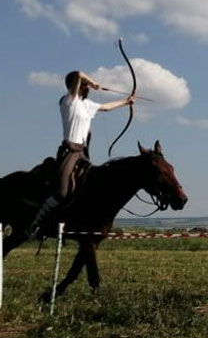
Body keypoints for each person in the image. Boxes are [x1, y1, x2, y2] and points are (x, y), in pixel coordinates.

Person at [29, 70, 135, 238]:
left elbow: (106, 108)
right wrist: (93, 82)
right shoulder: (69, 101)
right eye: (85, 86)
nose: (88, 89)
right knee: (63, 192)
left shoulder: (87, 105)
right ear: (76, 86)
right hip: (69, 151)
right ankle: (35, 224)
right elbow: (78, 74)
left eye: (88, 86)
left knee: (93, 183)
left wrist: (126, 102)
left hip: (82, 152)